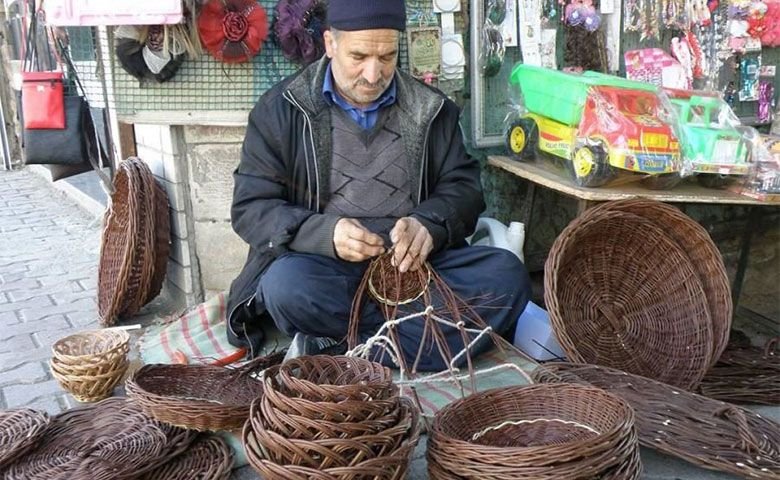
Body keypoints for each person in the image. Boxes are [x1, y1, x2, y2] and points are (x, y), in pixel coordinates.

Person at [227, 0, 531, 371]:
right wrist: (324, 233)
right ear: (330, 43)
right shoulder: (282, 110)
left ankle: (349, 351)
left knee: (508, 275)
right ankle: (422, 345)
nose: (373, 74)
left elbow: (464, 188)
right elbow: (251, 207)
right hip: (328, 270)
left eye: (387, 56)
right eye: (359, 56)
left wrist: (429, 224)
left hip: (416, 273)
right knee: (285, 286)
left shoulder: (431, 109)